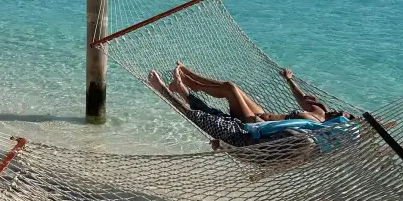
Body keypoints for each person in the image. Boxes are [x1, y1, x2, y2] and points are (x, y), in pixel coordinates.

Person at [147, 64, 353, 148]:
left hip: (253, 123)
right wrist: (289, 79)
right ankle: (186, 83)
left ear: (342, 123)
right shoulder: (320, 112)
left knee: (229, 90)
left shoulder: (321, 131)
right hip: (262, 116)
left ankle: (188, 84)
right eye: (348, 113)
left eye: (348, 117)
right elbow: (300, 98)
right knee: (230, 87)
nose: (345, 112)